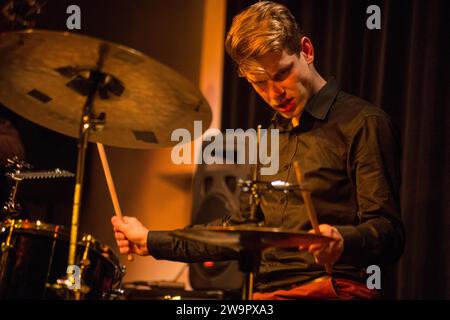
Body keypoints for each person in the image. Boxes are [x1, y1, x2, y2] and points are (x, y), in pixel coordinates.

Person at [111, 1, 404, 299]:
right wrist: (150, 240)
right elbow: (239, 229)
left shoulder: (364, 123)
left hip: (330, 288)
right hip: (262, 293)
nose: (274, 94)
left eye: (281, 74)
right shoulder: (269, 137)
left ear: (306, 51)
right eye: (259, 83)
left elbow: (389, 231)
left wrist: (343, 239)